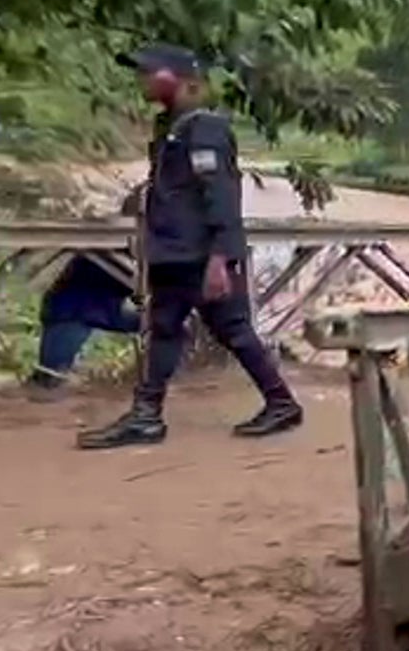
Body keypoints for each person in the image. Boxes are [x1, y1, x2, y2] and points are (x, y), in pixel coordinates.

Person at [78, 45, 301, 449]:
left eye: (151, 72)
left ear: (182, 79)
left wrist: (220, 258)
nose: (143, 80)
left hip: (198, 255)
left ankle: (279, 403)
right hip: (174, 251)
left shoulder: (205, 128)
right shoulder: (171, 126)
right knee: (167, 329)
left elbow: (220, 196)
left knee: (230, 329)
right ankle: (148, 415)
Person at [26, 255, 139, 398]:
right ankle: (50, 376)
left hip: (94, 304)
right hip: (79, 305)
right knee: (71, 301)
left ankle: (50, 377)